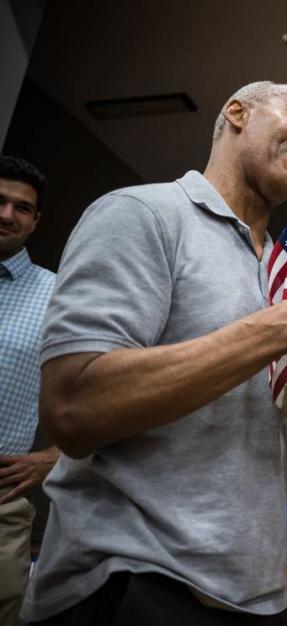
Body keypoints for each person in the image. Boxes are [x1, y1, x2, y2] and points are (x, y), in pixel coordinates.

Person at [20, 81, 287, 625]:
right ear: (236, 112)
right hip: (133, 585)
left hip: (262, 600)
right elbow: (73, 409)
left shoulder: (286, 270)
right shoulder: (144, 214)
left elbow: (272, 467)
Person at [0, 156, 60, 626]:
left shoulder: (58, 295)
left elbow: (102, 386)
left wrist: (56, 456)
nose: (7, 215)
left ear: (35, 222)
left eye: (22, 208)